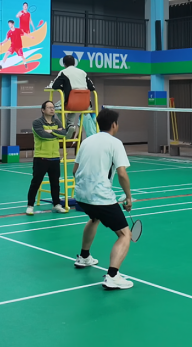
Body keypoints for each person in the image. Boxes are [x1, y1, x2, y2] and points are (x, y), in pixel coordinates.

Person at [72, 109, 134, 291]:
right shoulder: (115, 143)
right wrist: (128, 197)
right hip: (100, 197)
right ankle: (113, 276)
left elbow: (75, 170)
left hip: (81, 196)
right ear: (114, 124)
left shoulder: (86, 141)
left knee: (94, 218)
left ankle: (84, 257)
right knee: (125, 235)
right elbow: (122, 174)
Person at [28, 100, 68, 215]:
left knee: (55, 183)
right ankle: (30, 206)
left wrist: (51, 131)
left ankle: (56, 205)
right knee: (36, 183)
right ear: (43, 110)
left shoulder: (57, 121)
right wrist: (56, 133)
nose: (52, 109)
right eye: (49, 107)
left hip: (55, 157)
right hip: (41, 158)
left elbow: (64, 133)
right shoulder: (37, 122)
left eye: (53, 107)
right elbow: (43, 135)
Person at [49, 54, 95, 134]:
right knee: (73, 107)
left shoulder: (64, 72)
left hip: (72, 102)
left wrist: (64, 88)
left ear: (64, 64)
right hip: (86, 104)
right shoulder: (83, 72)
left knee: (55, 107)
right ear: (74, 63)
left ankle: (67, 126)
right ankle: (70, 125)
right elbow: (92, 87)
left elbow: (55, 86)